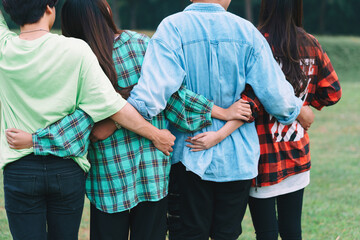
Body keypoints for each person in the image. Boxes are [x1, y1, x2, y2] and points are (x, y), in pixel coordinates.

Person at [3, 0, 251, 239]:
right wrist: (221, 112)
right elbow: (174, 96)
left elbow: (86, 124)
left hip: (108, 177)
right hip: (152, 170)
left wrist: (37, 140)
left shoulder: (76, 57)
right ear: (108, 10)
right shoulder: (141, 44)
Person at [125, 0, 304, 239]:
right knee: (227, 234)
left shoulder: (172, 28)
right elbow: (279, 100)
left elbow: (151, 96)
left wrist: (121, 114)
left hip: (188, 153)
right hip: (237, 158)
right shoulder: (247, 31)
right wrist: (296, 110)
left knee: (188, 233)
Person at [0, 0, 175, 239]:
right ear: (50, 8)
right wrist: (156, 134)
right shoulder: (76, 50)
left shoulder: (3, 47)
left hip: (19, 166)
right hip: (66, 167)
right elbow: (113, 106)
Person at [187, 0, 342, 239]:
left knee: (266, 233)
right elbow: (333, 92)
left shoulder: (255, 40)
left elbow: (250, 105)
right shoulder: (310, 43)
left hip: (263, 158)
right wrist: (304, 105)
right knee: (293, 231)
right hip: (297, 153)